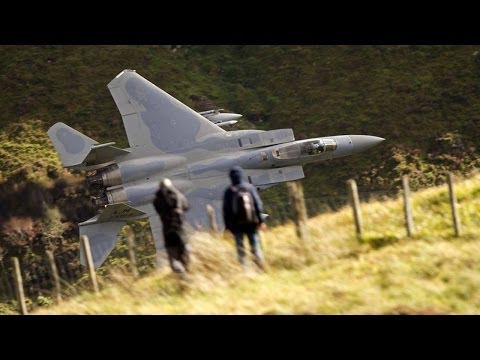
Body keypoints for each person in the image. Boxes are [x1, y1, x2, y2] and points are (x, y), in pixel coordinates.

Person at [223, 166, 267, 271]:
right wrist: (261, 221)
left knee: (240, 248)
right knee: (255, 245)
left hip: (236, 225)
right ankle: (260, 267)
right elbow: (257, 205)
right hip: (251, 223)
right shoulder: (249, 187)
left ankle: (245, 269)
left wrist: (227, 227)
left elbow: (226, 211)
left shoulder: (229, 191)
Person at [153, 178, 190, 273]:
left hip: (167, 232)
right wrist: (175, 191)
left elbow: (158, 209)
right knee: (184, 255)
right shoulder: (177, 196)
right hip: (179, 230)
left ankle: (180, 275)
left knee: (172, 258)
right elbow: (186, 206)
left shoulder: (157, 200)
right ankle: (186, 272)